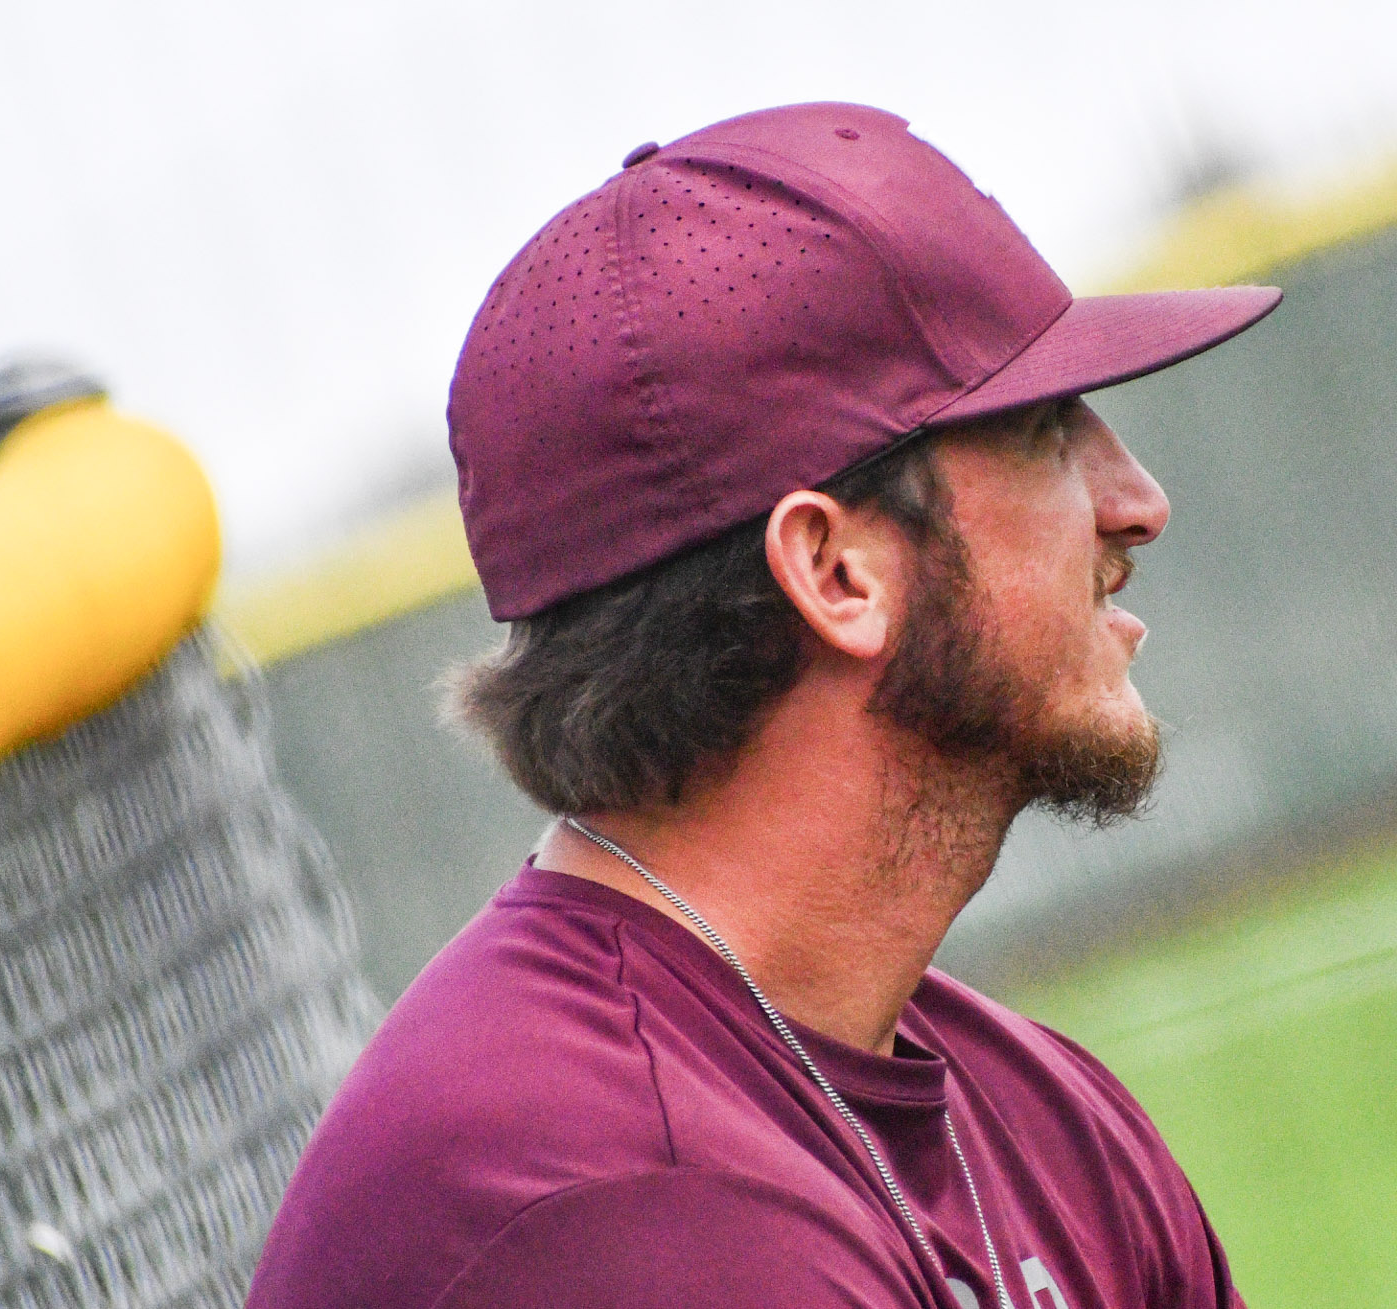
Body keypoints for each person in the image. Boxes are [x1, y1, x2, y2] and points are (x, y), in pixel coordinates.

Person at [248, 101, 1280, 1309]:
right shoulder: (623, 1203)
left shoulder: (1045, 1123)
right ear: (836, 573)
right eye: (1048, 433)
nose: (1137, 502)